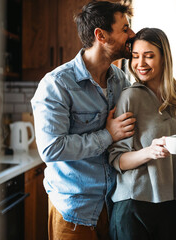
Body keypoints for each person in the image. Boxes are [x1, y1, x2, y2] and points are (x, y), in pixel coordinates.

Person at [31, 1, 136, 240]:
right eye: (125, 29)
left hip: (113, 206)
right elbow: (51, 148)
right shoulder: (57, 84)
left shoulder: (121, 81)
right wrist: (108, 135)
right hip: (74, 211)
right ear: (101, 35)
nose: (132, 35)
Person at [108, 28, 176, 240]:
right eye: (135, 56)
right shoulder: (129, 97)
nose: (140, 63)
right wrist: (150, 152)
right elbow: (117, 159)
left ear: (164, 58)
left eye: (149, 56)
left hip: (171, 204)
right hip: (132, 204)